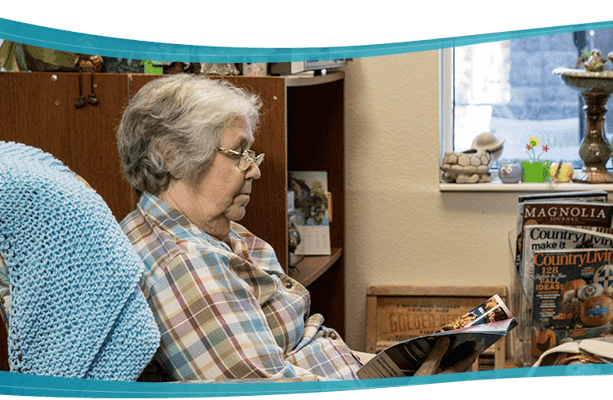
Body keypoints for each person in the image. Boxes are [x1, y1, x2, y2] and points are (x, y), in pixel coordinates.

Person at [116, 74, 474, 381]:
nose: (254, 169)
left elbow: (292, 352)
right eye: (239, 153)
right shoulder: (185, 264)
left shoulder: (210, 232)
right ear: (173, 157)